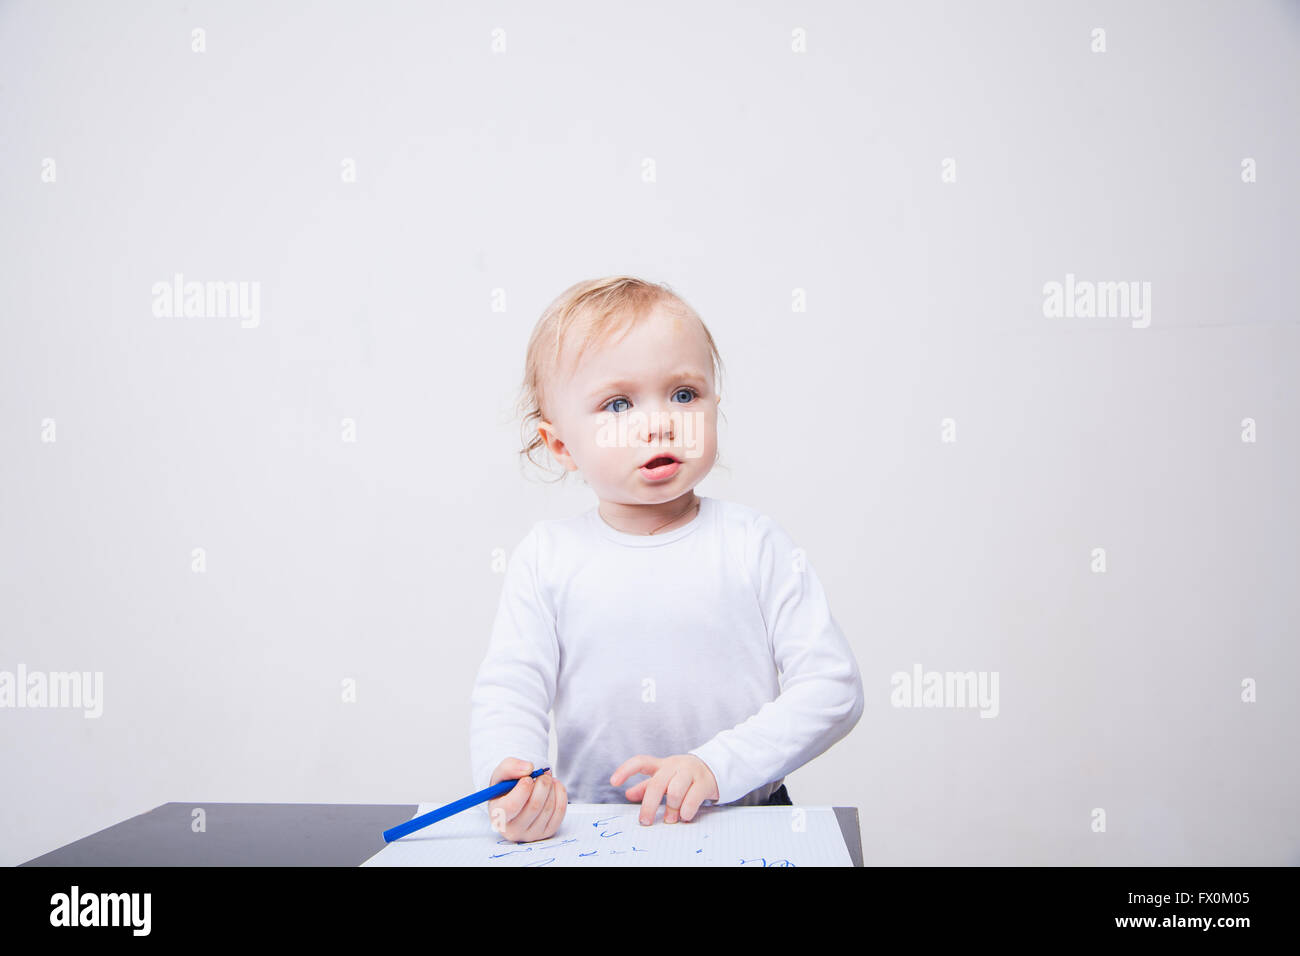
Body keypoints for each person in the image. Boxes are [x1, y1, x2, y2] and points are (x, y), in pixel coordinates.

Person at [470, 276, 863, 843]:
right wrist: (510, 774)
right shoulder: (546, 558)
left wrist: (715, 767)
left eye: (684, 394)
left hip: (746, 820)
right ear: (560, 445)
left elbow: (833, 687)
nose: (659, 422)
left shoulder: (754, 544)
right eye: (618, 403)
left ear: (714, 405)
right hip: (591, 829)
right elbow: (511, 687)